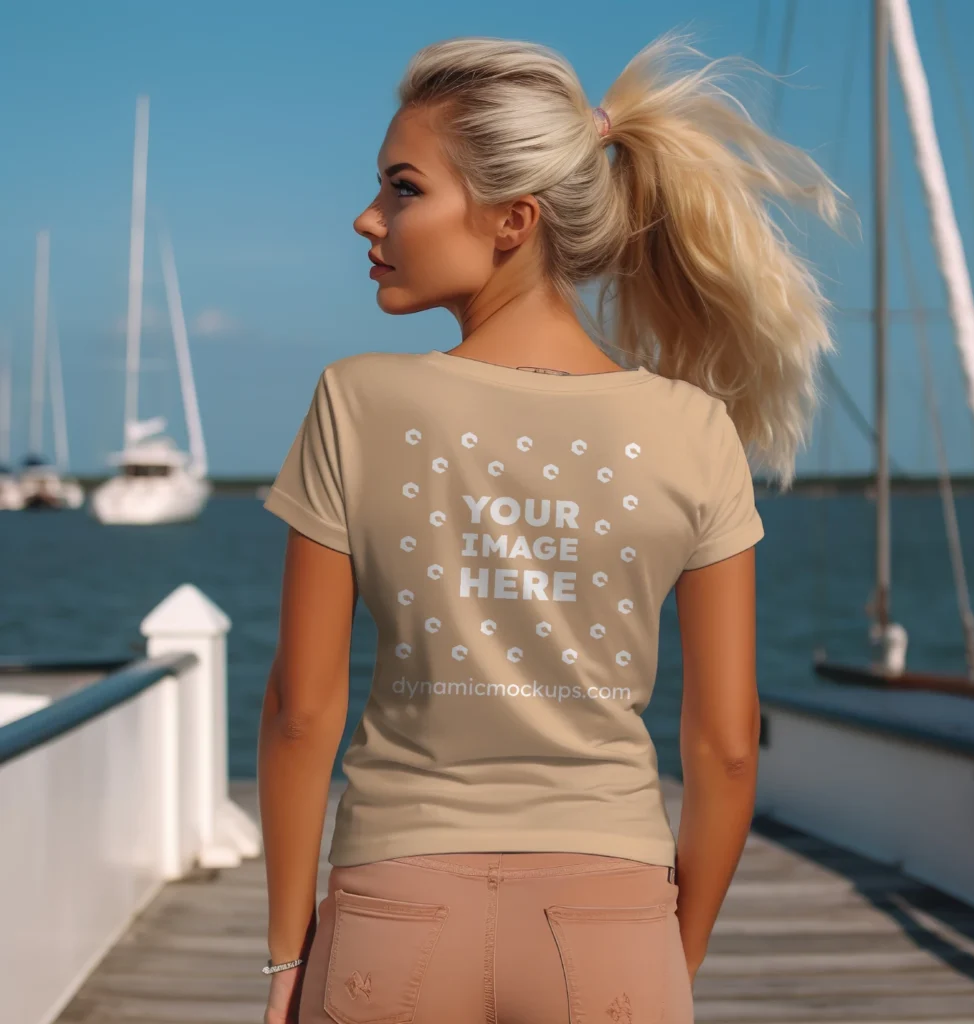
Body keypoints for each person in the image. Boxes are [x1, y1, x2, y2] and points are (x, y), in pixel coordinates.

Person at [259, 31, 842, 1024]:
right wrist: (671, 952)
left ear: (511, 220)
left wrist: (283, 961)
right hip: (609, 916)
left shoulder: (355, 401)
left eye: (403, 188)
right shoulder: (695, 429)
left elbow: (300, 712)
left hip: (392, 912)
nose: (368, 218)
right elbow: (727, 746)